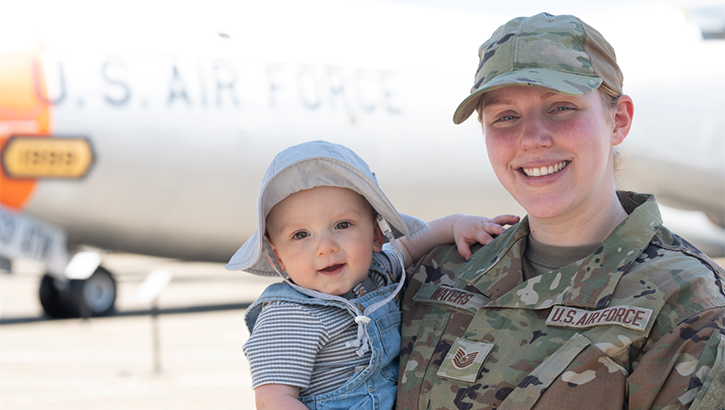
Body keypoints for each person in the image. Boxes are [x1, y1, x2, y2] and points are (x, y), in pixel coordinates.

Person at [397, 12, 725, 410]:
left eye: (561, 108)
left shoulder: (686, 304)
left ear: (618, 120)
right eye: (506, 117)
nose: (532, 139)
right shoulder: (439, 271)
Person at [225, 140, 518, 410]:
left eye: (343, 225)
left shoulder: (378, 271)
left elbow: (410, 245)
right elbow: (273, 400)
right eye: (301, 234)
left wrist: (457, 224)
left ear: (377, 235)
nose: (325, 247)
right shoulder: (287, 316)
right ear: (278, 258)